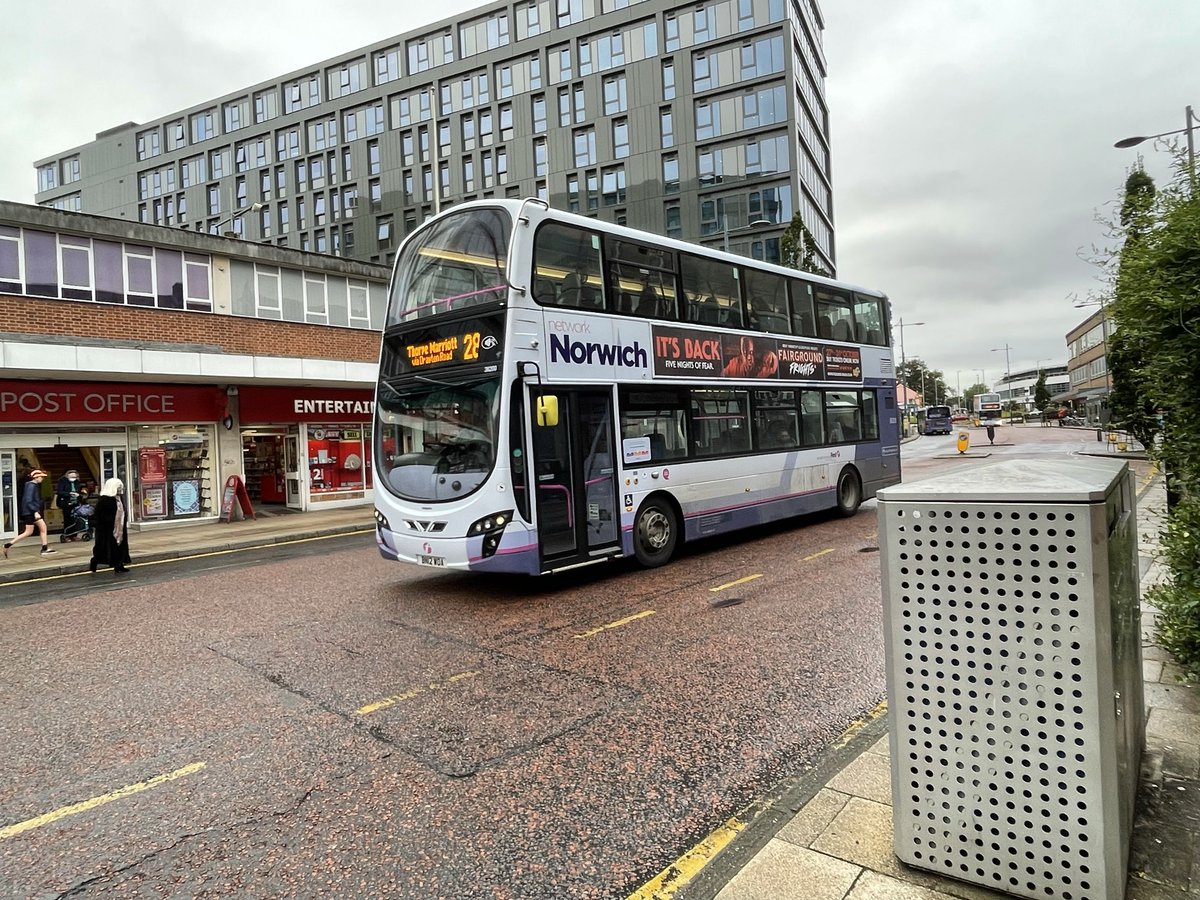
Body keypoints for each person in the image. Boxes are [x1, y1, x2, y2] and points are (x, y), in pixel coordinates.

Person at [4, 469, 56, 558]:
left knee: (31, 531)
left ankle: (8, 545)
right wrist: (35, 512)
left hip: (29, 511)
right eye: (41, 477)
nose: (42, 479)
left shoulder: (31, 485)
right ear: (36, 477)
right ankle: (44, 549)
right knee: (38, 529)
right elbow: (28, 501)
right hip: (31, 512)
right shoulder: (32, 486)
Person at [89, 477, 131, 575]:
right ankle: (94, 563)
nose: (120, 490)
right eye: (118, 487)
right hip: (106, 530)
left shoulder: (118, 499)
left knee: (119, 547)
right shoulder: (105, 500)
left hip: (119, 528)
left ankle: (119, 565)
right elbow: (99, 516)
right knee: (103, 549)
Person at [56, 468, 82, 542]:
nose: (73, 478)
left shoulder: (77, 482)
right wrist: (69, 493)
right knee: (67, 519)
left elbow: (78, 490)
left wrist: (79, 494)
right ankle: (67, 535)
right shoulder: (62, 481)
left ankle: (74, 535)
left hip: (75, 502)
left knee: (75, 519)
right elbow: (60, 492)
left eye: (75, 476)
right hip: (66, 503)